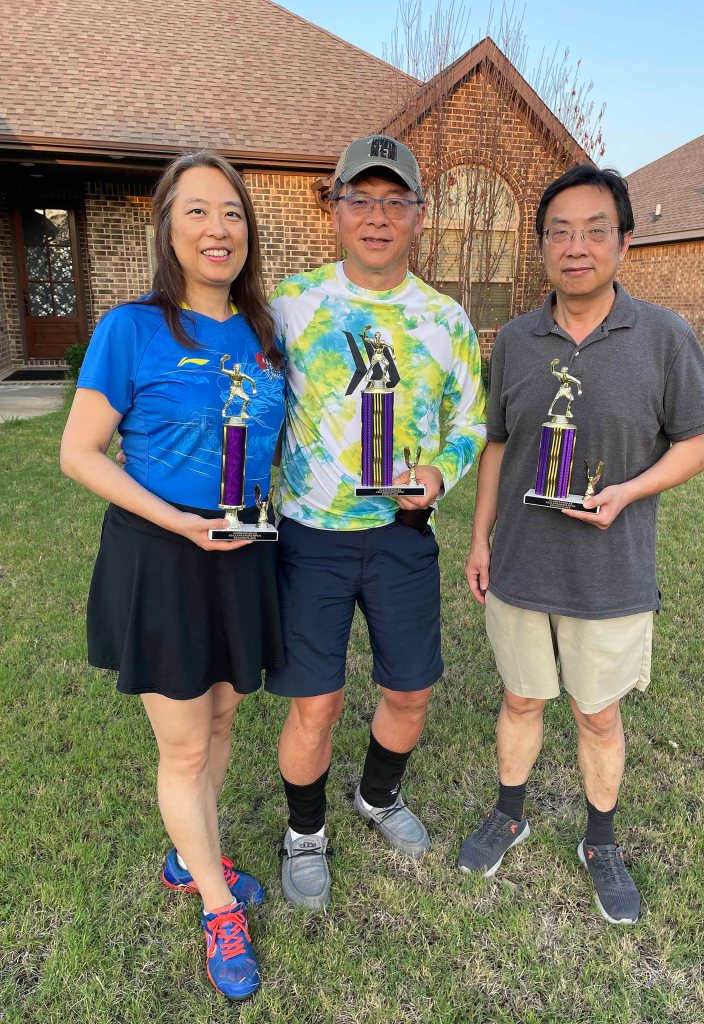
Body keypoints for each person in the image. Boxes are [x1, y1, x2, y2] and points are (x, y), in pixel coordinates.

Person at [460, 166, 704, 926]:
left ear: (624, 242)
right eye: (560, 232)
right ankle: (510, 812)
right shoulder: (516, 340)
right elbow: (498, 446)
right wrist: (479, 540)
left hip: (611, 571)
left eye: (594, 230)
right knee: (520, 698)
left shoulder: (664, 337)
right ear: (542, 245)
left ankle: (600, 841)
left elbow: (699, 445)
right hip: (520, 565)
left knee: (597, 715)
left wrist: (628, 492)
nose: (576, 247)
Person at [60, 151, 285, 998]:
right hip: (162, 554)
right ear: (167, 229)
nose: (217, 229)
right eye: (197, 211)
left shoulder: (265, 335)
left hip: (243, 552)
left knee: (222, 717)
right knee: (185, 743)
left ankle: (192, 857)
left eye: (232, 212)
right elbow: (80, 453)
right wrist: (177, 521)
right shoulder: (132, 328)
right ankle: (218, 906)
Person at [266, 135, 486, 908]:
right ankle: (304, 833)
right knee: (316, 702)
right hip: (310, 536)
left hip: (401, 536)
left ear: (421, 215)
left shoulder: (445, 319)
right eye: (361, 198)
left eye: (396, 201)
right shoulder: (290, 306)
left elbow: (471, 420)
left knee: (410, 690)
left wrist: (438, 473)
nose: (378, 217)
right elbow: (244, 397)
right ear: (335, 210)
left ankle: (378, 795)